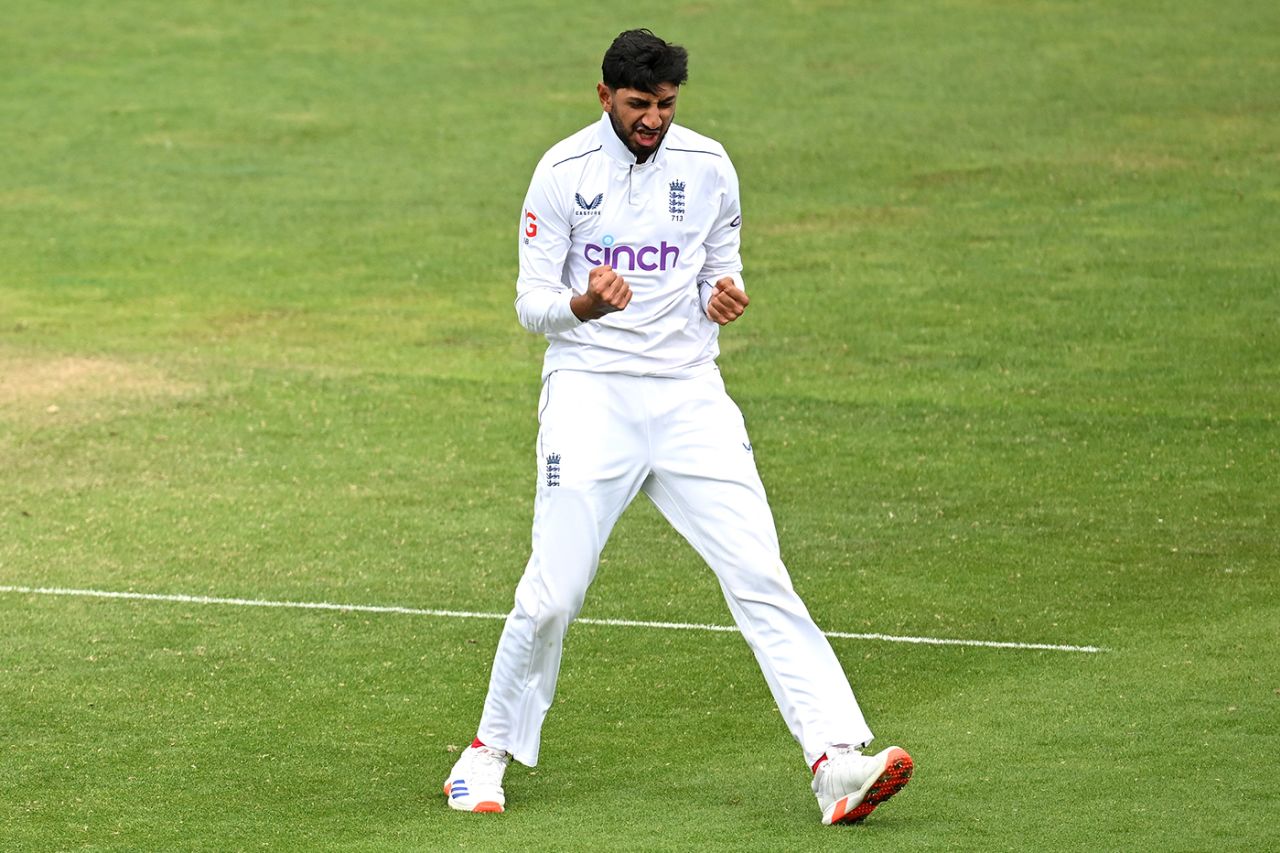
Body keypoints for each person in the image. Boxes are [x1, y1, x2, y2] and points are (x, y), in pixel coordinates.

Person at [444, 28, 912, 826]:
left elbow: (716, 267)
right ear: (604, 99)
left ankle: (836, 761)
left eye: (664, 105)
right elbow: (531, 304)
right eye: (637, 106)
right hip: (590, 396)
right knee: (554, 593)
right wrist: (584, 304)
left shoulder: (710, 166)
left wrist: (720, 296)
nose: (653, 120)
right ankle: (484, 753)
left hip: (691, 395)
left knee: (761, 573)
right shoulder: (561, 173)